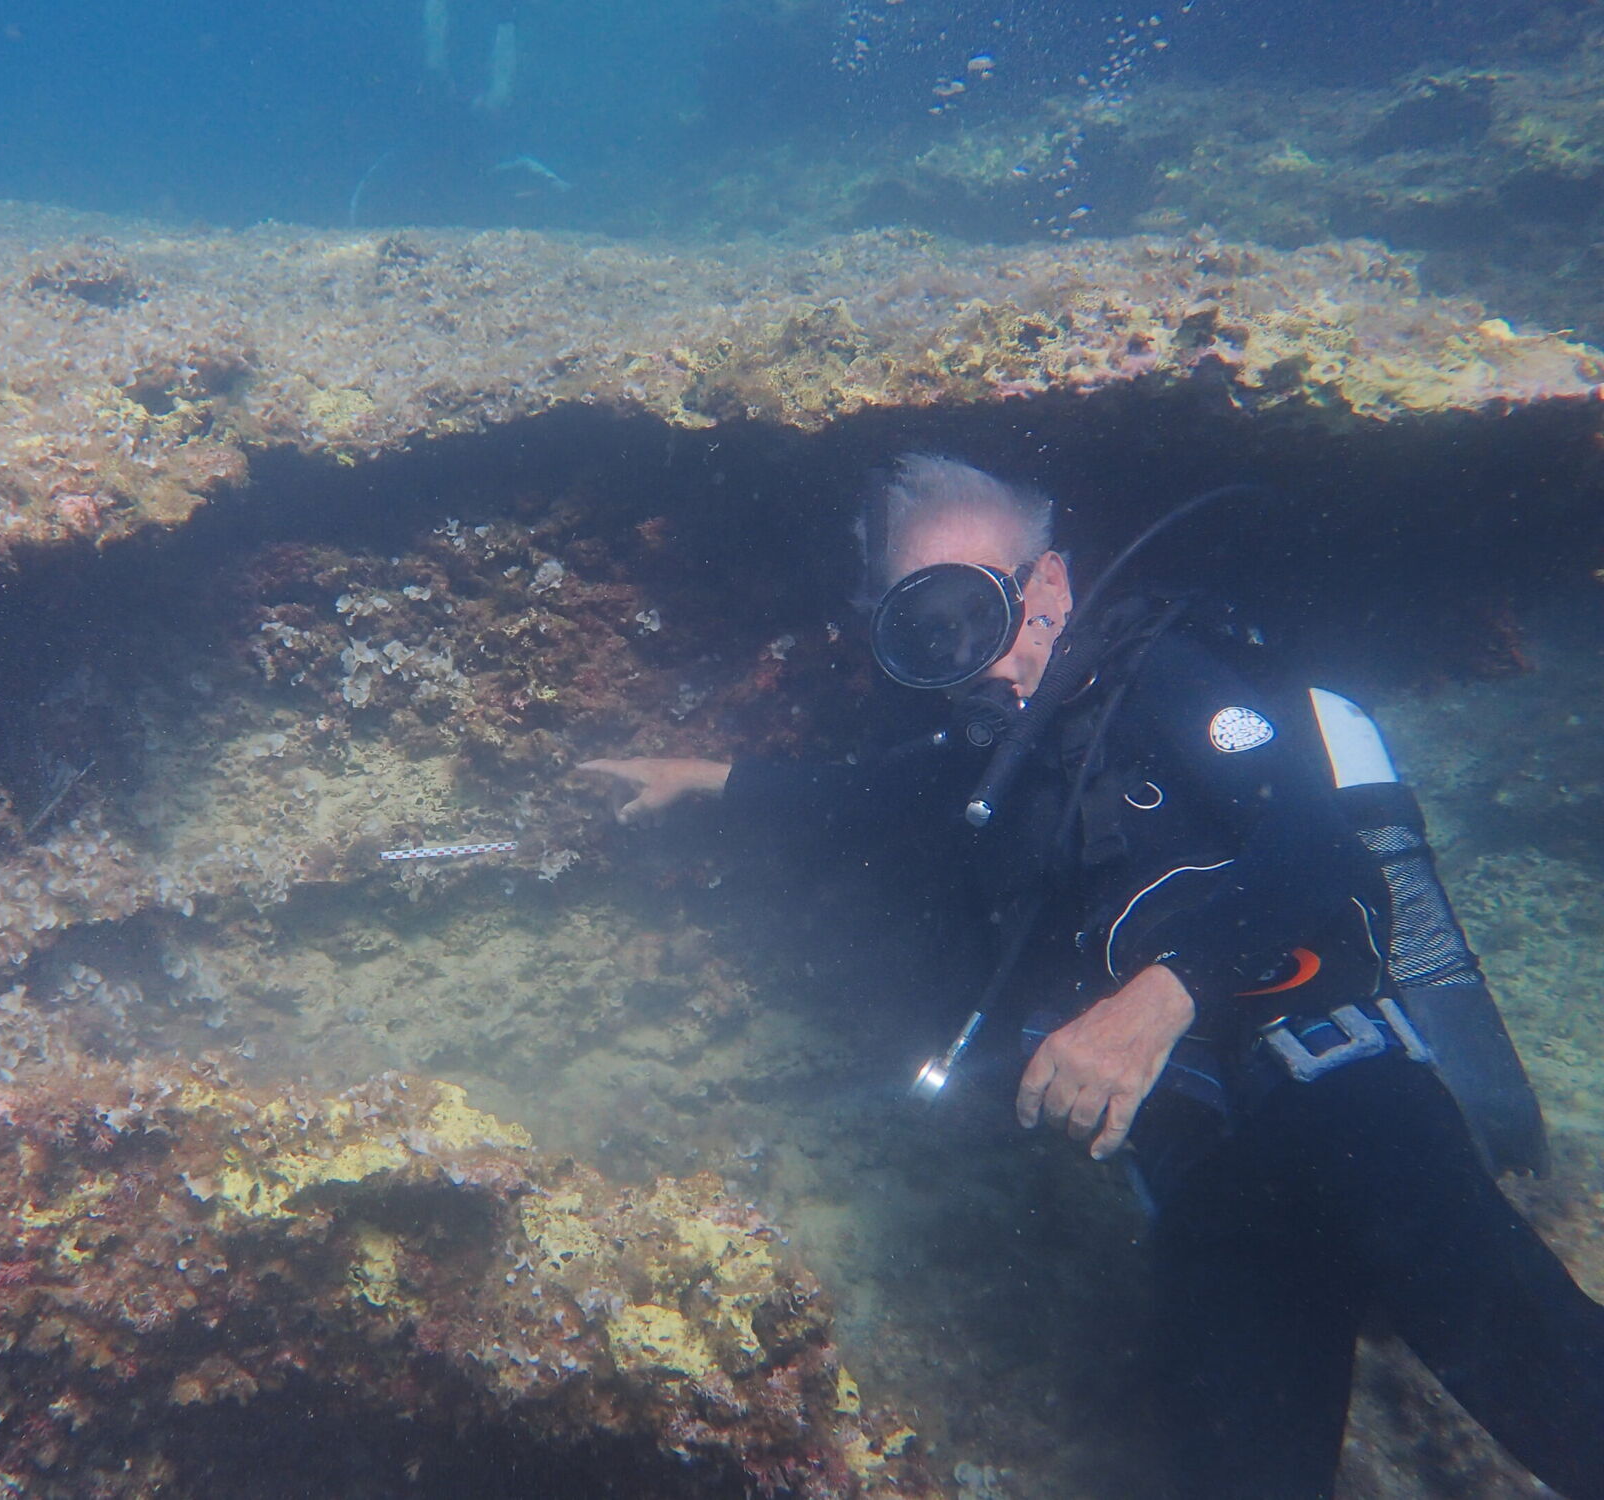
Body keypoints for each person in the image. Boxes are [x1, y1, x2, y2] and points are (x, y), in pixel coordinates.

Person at [580, 455, 1604, 1500]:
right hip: (1202, 1169)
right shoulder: (995, 756)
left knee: (1540, 1374)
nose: (967, 654)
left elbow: (1315, 852)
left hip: (1343, 1093)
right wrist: (702, 781)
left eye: (976, 605)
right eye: (926, 626)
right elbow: (863, 795)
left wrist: (1162, 995)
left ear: (1053, 584)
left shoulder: (1164, 678)